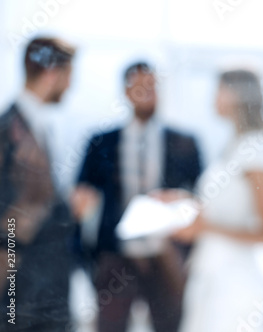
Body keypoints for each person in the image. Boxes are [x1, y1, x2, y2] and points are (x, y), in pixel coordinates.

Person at [72, 62, 202, 332]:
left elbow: (200, 198)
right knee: (109, 325)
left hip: (166, 256)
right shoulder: (101, 142)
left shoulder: (184, 142)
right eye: (139, 86)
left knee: (170, 325)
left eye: (152, 86)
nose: (146, 92)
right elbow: (80, 195)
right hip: (116, 255)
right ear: (126, 92)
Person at [176, 69, 263, 332]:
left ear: (238, 95)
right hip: (213, 274)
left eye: (219, 90)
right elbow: (225, 209)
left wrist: (204, 227)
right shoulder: (235, 145)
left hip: (236, 284)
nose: (213, 99)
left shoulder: (257, 151)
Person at [0, 37, 76, 331]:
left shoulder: (37, 125)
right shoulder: (8, 132)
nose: (70, 86)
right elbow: (8, 220)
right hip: (23, 297)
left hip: (45, 291)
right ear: (52, 75)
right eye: (69, 77)